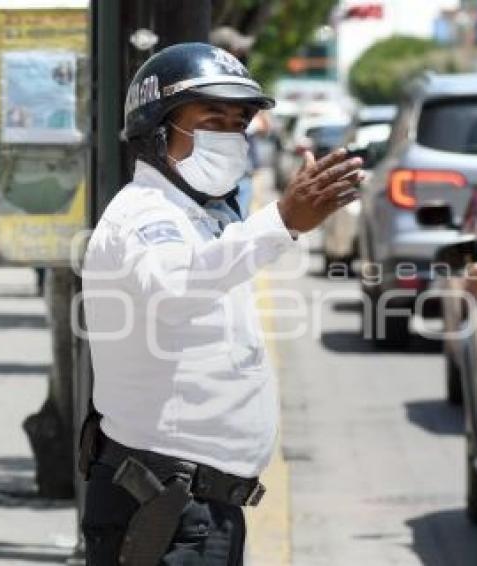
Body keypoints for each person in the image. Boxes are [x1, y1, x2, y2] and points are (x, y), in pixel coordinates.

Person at [80, 43, 362, 566]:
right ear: (160, 128)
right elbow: (174, 288)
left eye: (238, 123)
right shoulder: (145, 215)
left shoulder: (198, 215)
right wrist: (280, 222)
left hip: (195, 508)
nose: (230, 136)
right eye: (212, 119)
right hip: (162, 507)